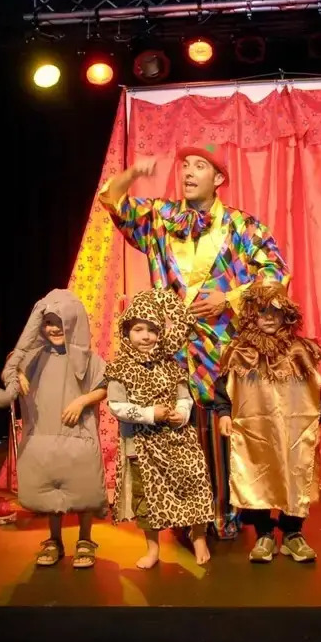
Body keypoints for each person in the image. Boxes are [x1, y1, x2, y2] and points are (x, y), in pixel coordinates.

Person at [99, 144, 289, 538]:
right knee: (175, 429)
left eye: (199, 166)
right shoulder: (160, 218)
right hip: (170, 348)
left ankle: (227, 512)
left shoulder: (241, 226)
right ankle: (183, 515)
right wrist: (133, 173)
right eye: (185, 165)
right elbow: (113, 201)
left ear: (218, 178)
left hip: (223, 346)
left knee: (222, 431)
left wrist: (230, 298)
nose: (187, 172)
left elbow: (276, 274)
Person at [0, 289, 108, 569]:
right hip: (44, 433)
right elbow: (12, 365)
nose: (54, 328)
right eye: (48, 322)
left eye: (60, 322)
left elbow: (103, 386)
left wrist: (82, 401)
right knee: (52, 487)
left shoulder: (89, 359)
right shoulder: (35, 358)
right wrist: (19, 373)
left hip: (78, 434)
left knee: (82, 486)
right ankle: (54, 540)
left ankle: (85, 539)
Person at [212, 280, 321, 563]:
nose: (269, 318)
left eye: (276, 312)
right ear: (251, 314)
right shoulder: (239, 351)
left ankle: (292, 532)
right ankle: (264, 533)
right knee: (257, 473)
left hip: (294, 429)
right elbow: (223, 386)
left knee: (295, 471)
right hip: (255, 429)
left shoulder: (299, 350)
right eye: (262, 311)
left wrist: (318, 417)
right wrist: (224, 412)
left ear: (286, 315)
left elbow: (314, 386)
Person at [105, 289, 214, 568]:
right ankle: (153, 549)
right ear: (126, 331)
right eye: (138, 329)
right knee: (147, 500)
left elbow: (184, 397)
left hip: (178, 441)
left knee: (194, 482)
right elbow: (116, 406)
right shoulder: (120, 368)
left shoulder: (171, 365)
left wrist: (181, 413)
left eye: (152, 330)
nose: (146, 336)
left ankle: (198, 536)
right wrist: (149, 414)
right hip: (141, 447)